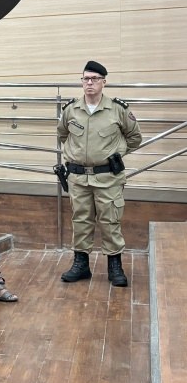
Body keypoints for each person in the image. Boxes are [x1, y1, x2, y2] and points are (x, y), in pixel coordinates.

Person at [58, 60, 142, 287]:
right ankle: (81, 265)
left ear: (104, 82)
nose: (89, 83)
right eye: (85, 78)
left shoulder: (118, 109)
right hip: (78, 178)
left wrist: (116, 154)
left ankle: (115, 267)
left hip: (108, 177)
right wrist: (76, 154)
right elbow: (62, 134)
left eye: (94, 79)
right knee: (80, 221)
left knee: (110, 221)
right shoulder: (70, 109)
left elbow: (135, 137)